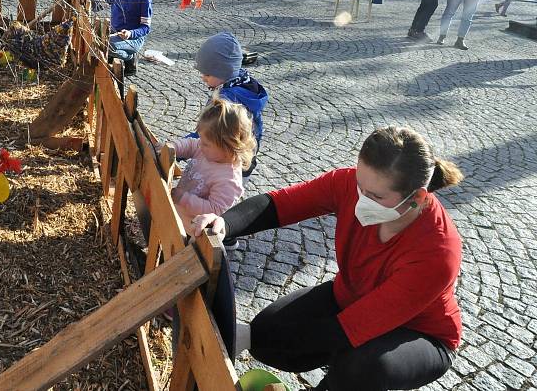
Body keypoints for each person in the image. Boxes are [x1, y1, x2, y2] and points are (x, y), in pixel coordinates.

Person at [192, 126, 463, 391]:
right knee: (266, 334)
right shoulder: (350, 185)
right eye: (359, 186)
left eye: (376, 196)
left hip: (420, 332)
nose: (361, 200)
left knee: (358, 368)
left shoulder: (438, 251)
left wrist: (272, 339)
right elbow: (282, 204)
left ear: (416, 198)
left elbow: (349, 329)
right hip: (351, 297)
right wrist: (224, 223)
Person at [163, 98, 256, 240]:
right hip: (176, 214)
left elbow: (215, 210)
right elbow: (190, 144)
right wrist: (174, 147)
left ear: (228, 146)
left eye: (206, 144)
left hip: (190, 231)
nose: (200, 145)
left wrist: (184, 198)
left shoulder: (228, 180)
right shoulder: (206, 150)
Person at [191, 32, 269, 180]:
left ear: (223, 72)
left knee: (220, 199)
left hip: (229, 166)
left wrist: (179, 149)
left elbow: (208, 133)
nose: (203, 78)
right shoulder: (243, 83)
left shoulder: (227, 101)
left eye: (207, 75)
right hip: (243, 157)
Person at [104, 0, 152, 75]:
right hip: (114, 33)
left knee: (107, 44)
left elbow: (145, 27)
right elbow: (98, 5)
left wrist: (130, 33)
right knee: (98, 40)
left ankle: (130, 58)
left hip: (133, 39)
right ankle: (120, 58)